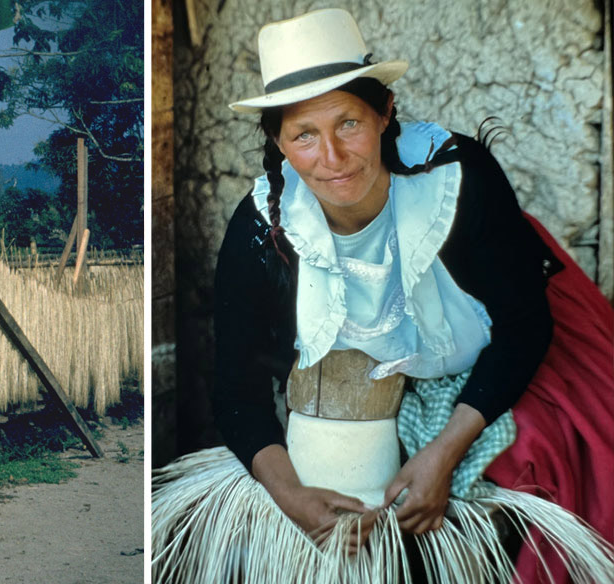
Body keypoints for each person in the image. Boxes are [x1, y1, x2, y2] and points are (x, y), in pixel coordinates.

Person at [151, 9, 614, 583]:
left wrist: (443, 453)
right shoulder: (260, 232)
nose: (332, 157)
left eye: (348, 123)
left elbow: (523, 327)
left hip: (488, 347)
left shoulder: (455, 178)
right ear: (277, 140)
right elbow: (236, 388)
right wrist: (291, 494)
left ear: (384, 111)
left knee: (560, 461)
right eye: (303, 136)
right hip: (357, 388)